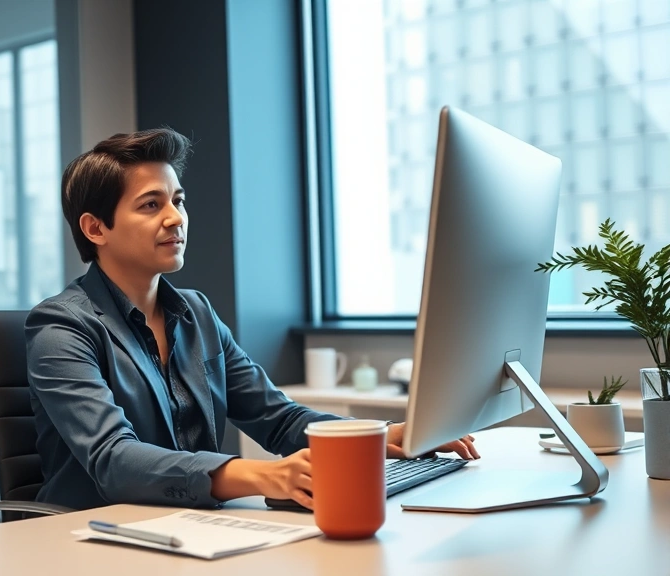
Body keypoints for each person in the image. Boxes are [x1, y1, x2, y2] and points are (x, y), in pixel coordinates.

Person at [25, 128, 479, 511]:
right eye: (150, 205)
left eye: (178, 201)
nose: (175, 219)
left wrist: (379, 437)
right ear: (95, 228)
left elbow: (278, 421)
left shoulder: (196, 313)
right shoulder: (61, 328)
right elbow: (113, 459)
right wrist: (263, 476)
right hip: (95, 538)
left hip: (189, 527)